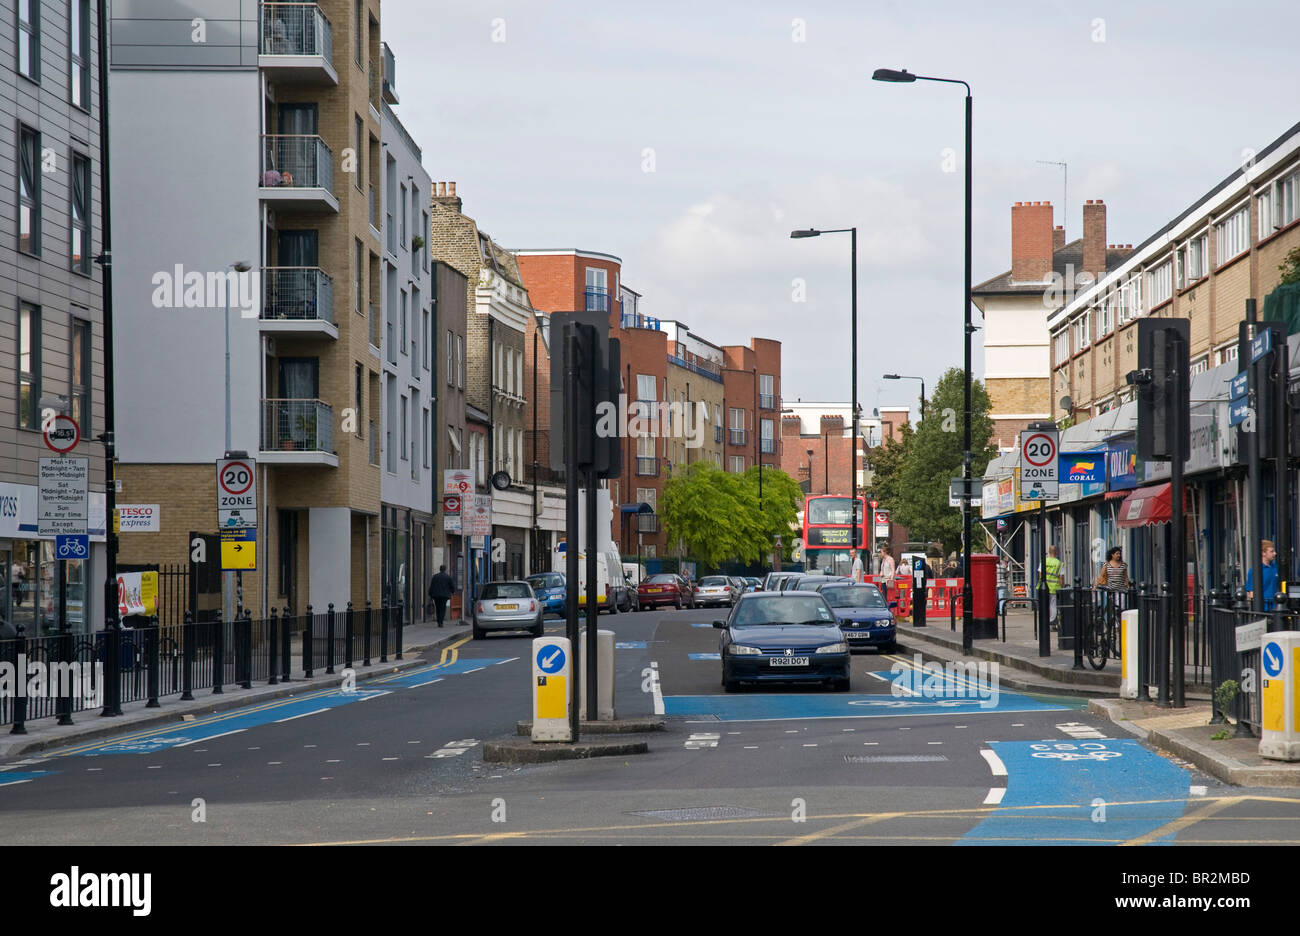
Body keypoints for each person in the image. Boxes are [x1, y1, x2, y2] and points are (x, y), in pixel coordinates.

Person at [1245, 540, 1279, 611]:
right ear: (1263, 553)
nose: (1275, 553)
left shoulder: (1276, 568)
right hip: (1263, 609)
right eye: (1271, 551)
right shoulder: (1255, 570)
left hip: (1277, 607)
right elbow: (1251, 593)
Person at [1042, 545, 1064, 626]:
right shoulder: (1058, 563)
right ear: (1057, 552)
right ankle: (1052, 621)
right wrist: (1062, 587)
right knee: (1053, 605)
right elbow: (1061, 578)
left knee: (1045, 605)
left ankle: (1044, 621)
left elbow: (1040, 574)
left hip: (1044, 587)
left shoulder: (1044, 561)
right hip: (1055, 587)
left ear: (1049, 551)